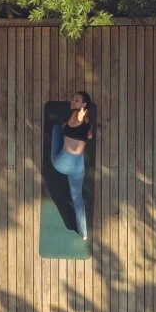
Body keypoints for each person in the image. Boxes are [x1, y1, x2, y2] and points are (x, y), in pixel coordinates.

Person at [51, 90, 96, 240]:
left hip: (62, 164)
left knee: (57, 129)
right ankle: (83, 233)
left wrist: (77, 118)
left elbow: (75, 120)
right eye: (73, 98)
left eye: (76, 100)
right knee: (77, 198)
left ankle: (57, 132)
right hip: (78, 167)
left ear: (83, 105)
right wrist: (82, 123)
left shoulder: (76, 115)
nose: (73, 101)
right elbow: (89, 135)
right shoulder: (87, 121)